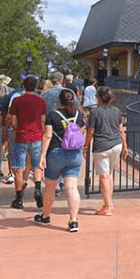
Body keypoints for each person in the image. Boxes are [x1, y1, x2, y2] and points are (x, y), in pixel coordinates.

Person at [36, 88, 86, 232]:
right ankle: (73, 221)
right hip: (74, 154)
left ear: (59, 101)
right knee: (71, 188)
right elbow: (81, 131)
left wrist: (42, 155)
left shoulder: (52, 115)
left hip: (56, 153)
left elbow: (47, 135)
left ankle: (46, 216)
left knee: (50, 186)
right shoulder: (78, 115)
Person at [85, 86, 128, 216]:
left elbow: (90, 131)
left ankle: (107, 206)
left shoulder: (95, 113)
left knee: (103, 176)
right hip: (116, 144)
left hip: (101, 146)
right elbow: (121, 130)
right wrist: (125, 146)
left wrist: (85, 145)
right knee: (109, 174)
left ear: (98, 98)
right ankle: (108, 202)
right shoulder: (117, 111)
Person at [6, 75, 46, 210]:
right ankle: (38, 189)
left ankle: (18, 198)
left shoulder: (17, 101)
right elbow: (42, 120)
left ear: (23, 86)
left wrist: (18, 129)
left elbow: (12, 120)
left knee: (18, 168)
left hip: (21, 137)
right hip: (36, 136)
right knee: (36, 165)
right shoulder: (40, 101)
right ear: (36, 87)